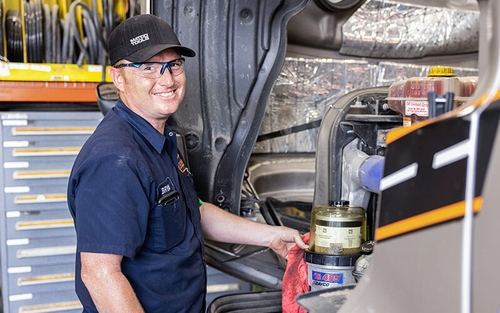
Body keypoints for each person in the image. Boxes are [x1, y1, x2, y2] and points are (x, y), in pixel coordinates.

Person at [67, 14, 308, 313]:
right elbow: (100, 273)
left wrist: (270, 235)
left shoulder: (161, 139)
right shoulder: (116, 161)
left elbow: (193, 210)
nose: (167, 80)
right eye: (148, 68)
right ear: (118, 78)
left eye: (174, 65)